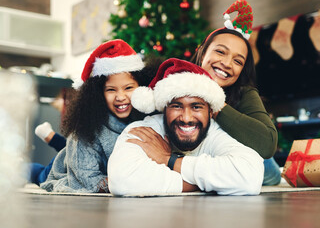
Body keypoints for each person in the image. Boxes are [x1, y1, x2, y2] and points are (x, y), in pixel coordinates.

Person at [108, 58, 264, 196]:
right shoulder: (144, 130)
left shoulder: (217, 131)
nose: (186, 118)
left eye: (196, 107)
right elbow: (121, 181)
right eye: (177, 106)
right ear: (164, 110)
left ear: (210, 112)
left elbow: (250, 178)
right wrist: (206, 185)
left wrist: (170, 160)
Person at [37, 39, 157, 193]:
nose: (120, 97)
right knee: (38, 174)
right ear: (98, 94)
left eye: (128, 88)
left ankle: (50, 136)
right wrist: (127, 183)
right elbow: (88, 178)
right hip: (68, 167)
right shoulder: (88, 127)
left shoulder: (149, 119)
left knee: (65, 147)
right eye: (111, 90)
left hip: (80, 156)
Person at [190, 0, 281, 185]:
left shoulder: (244, 93)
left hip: (254, 165)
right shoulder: (175, 83)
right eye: (220, 52)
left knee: (272, 173)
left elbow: (267, 144)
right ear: (201, 52)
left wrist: (217, 105)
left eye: (238, 61)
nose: (227, 63)